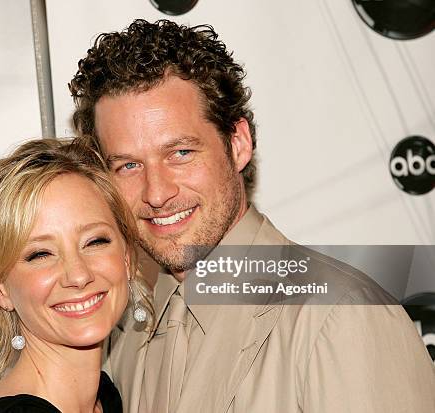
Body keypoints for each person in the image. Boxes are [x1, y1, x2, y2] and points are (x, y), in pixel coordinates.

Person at [69, 19, 435, 412]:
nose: (157, 193)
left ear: (238, 143)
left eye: (180, 153)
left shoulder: (341, 319)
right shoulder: (124, 334)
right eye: (128, 166)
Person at [0, 139, 153, 413]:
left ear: (127, 256)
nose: (78, 275)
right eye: (41, 255)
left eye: (95, 241)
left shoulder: (108, 397)